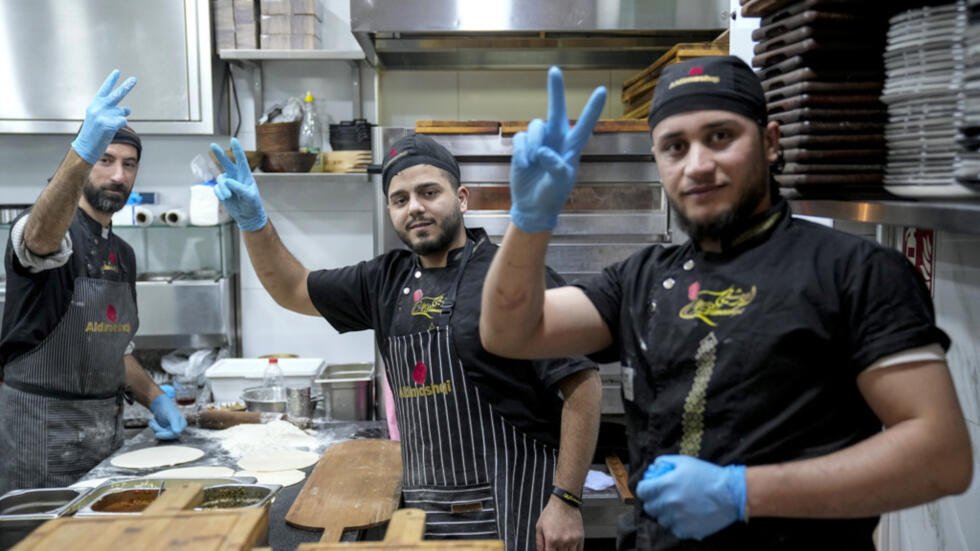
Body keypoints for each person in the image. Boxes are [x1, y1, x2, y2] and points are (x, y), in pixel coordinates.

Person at [479, 59, 973, 550]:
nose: (697, 165)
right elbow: (511, 332)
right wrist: (530, 219)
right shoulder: (643, 278)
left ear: (771, 141)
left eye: (720, 137)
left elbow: (941, 456)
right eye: (675, 146)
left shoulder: (856, 272)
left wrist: (741, 492)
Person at [210, 134, 601, 551]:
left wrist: (566, 498)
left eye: (428, 192)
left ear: (462, 198)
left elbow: (582, 385)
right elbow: (293, 289)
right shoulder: (383, 280)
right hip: (425, 511)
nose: (414, 207)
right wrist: (253, 223)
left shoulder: (511, 273)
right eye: (400, 199)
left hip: (518, 507)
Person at [0, 70, 187, 496]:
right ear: (85, 162)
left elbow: (109, 350)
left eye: (129, 164)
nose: (118, 176)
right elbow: (38, 238)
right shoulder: (48, 232)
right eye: (104, 159)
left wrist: (156, 396)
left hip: (105, 441)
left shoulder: (122, 253)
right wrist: (80, 150)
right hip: (39, 442)